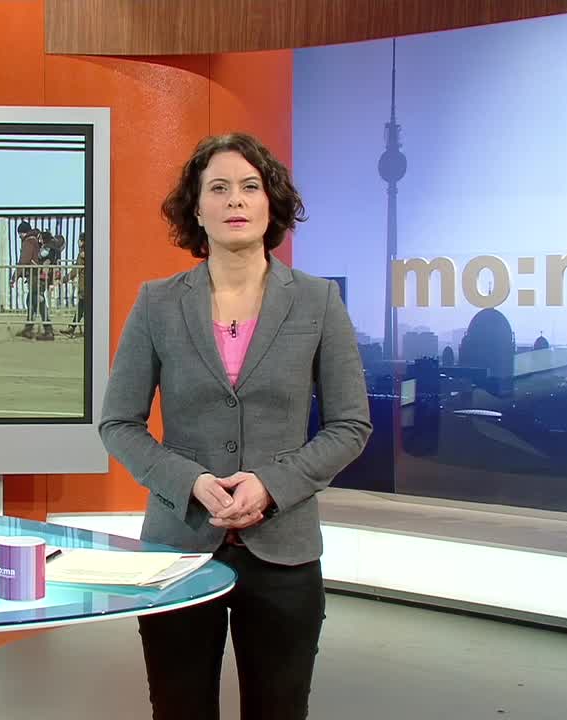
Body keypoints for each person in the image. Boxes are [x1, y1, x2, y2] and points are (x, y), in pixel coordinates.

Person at [97, 133, 372, 720]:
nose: (235, 200)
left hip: (284, 553)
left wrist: (272, 485)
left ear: (272, 204)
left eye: (250, 187)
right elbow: (119, 423)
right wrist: (191, 482)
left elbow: (350, 425)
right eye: (218, 188)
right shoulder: (157, 303)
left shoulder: (318, 301)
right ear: (197, 210)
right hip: (178, 547)